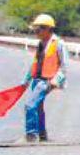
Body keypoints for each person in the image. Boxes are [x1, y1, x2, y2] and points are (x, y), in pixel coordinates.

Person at [23, 14, 66, 143]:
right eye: (35, 29)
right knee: (38, 107)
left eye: (39, 29)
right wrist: (27, 79)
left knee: (30, 105)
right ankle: (42, 135)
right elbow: (35, 63)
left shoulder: (58, 44)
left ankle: (31, 134)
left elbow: (64, 66)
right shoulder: (41, 44)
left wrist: (56, 80)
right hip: (37, 79)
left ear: (48, 29)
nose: (36, 32)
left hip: (47, 81)